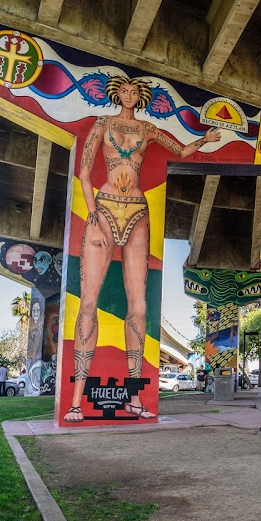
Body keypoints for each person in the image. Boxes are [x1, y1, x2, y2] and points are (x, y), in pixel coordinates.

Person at [64, 76, 221, 423]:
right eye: (125, 90)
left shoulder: (148, 129)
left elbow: (180, 150)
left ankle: (133, 400)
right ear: (117, 93)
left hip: (136, 210)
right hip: (103, 208)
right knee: (88, 300)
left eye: (135, 92)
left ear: (141, 96)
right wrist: (91, 213)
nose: (130, 95)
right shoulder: (103, 124)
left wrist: (205, 139)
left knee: (138, 305)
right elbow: (86, 171)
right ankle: (75, 401)